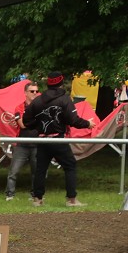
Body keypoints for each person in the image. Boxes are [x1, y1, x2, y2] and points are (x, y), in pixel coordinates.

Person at [23, 71, 96, 207]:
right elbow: (73, 120)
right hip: (58, 140)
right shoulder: (64, 99)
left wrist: (38, 127)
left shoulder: (38, 100)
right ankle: (71, 199)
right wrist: (87, 123)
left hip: (42, 140)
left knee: (40, 169)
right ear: (61, 83)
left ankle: (37, 199)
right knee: (70, 165)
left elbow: (26, 121)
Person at [4, 81, 40, 201]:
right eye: (32, 91)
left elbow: (41, 124)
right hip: (22, 144)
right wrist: (36, 121)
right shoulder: (19, 107)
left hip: (37, 143)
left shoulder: (40, 107)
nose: (35, 93)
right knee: (13, 171)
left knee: (37, 171)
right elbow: (22, 125)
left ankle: (35, 195)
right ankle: (10, 195)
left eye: (36, 91)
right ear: (25, 93)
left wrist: (31, 122)